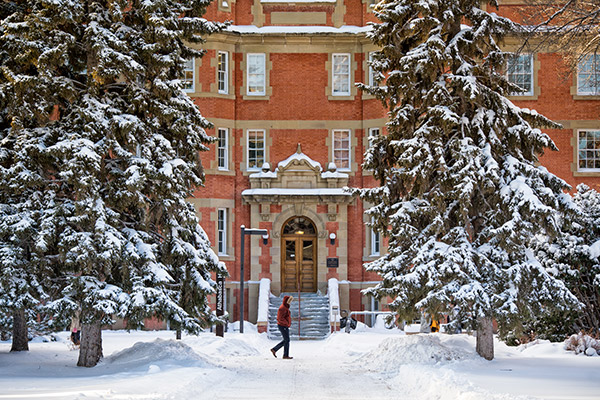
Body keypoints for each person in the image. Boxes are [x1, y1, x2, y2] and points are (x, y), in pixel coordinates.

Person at [270, 295, 293, 359]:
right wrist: (286, 323)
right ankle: (285, 355)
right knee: (287, 340)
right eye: (289, 301)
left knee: (286, 340)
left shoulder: (285, 307)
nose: (290, 302)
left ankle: (275, 349)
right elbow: (280, 318)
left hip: (284, 325)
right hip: (282, 326)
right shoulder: (282, 308)